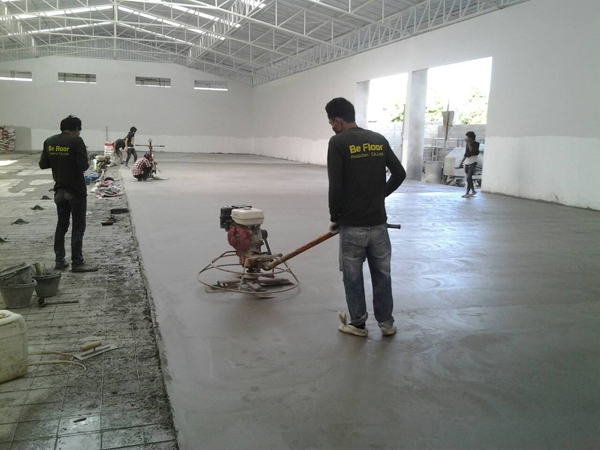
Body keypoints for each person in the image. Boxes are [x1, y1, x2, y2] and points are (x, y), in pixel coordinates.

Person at [326, 98, 406, 337]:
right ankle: (387, 323)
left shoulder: (338, 142)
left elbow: (336, 186)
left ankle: (358, 324)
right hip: (379, 224)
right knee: (382, 275)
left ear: (337, 121)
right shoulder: (378, 139)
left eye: (331, 123)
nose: (331, 127)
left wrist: (334, 216)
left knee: (352, 276)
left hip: (352, 226)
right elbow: (399, 173)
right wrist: (380, 195)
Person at [39, 115, 98, 272]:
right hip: (76, 191)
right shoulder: (77, 141)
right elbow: (83, 166)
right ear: (77, 128)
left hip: (59, 191)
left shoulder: (49, 141)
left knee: (61, 225)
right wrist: (88, 156)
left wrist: (59, 160)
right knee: (78, 228)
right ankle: (77, 263)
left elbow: (43, 164)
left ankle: (60, 261)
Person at [458, 131, 480, 198]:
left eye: (468, 137)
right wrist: (461, 163)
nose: (467, 139)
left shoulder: (476, 144)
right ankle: (473, 191)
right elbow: (466, 154)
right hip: (467, 163)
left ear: (471, 138)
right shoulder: (467, 144)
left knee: (468, 178)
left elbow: (472, 152)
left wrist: (468, 144)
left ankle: (467, 192)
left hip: (472, 163)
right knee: (469, 178)